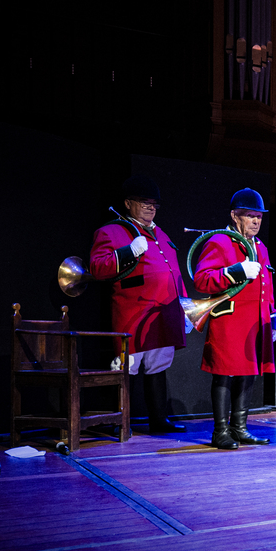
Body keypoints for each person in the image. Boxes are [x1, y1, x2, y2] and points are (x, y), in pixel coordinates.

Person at [88, 175, 188, 433]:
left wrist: (185, 307)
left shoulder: (161, 233)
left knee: (159, 365)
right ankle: (119, 422)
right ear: (128, 203)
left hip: (163, 313)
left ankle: (158, 419)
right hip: (133, 313)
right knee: (126, 367)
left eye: (154, 204)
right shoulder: (111, 231)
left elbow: (173, 271)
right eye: (144, 202)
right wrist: (128, 251)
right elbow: (97, 268)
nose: (150, 208)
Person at [192, 188, 276, 450]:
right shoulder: (220, 241)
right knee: (225, 374)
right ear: (234, 216)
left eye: (259, 217)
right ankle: (220, 431)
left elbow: (267, 285)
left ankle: (239, 428)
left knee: (248, 373)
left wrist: (272, 318)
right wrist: (235, 271)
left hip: (255, 321)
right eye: (250, 216)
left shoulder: (260, 246)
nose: (256, 221)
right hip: (229, 320)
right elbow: (202, 280)